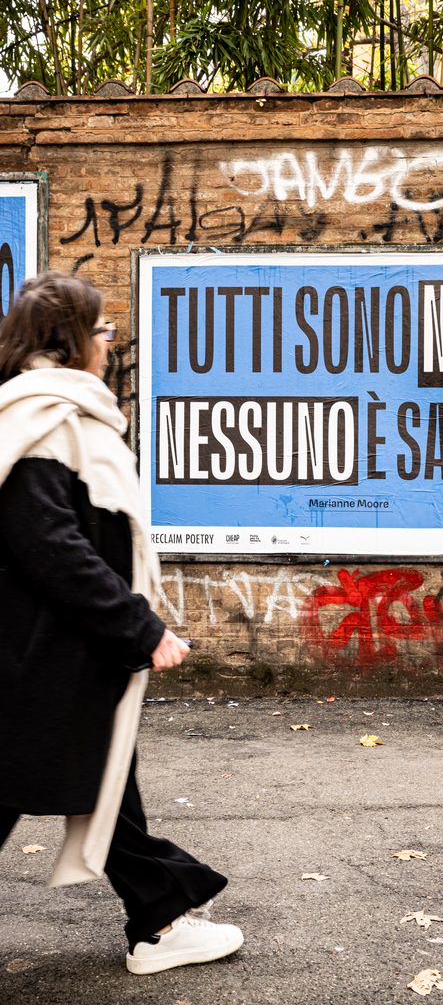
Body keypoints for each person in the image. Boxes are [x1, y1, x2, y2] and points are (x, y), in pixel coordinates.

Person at [0, 271, 243, 975]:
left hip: (58, 650)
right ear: (72, 339)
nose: (110, 342)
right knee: (55, 776)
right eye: (103, 330)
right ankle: (159, 922)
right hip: (42, 653)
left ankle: (159, 921)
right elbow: (54, 549)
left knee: (105, 779)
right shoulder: (40, 419)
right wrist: (142, 628)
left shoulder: (53, 412)